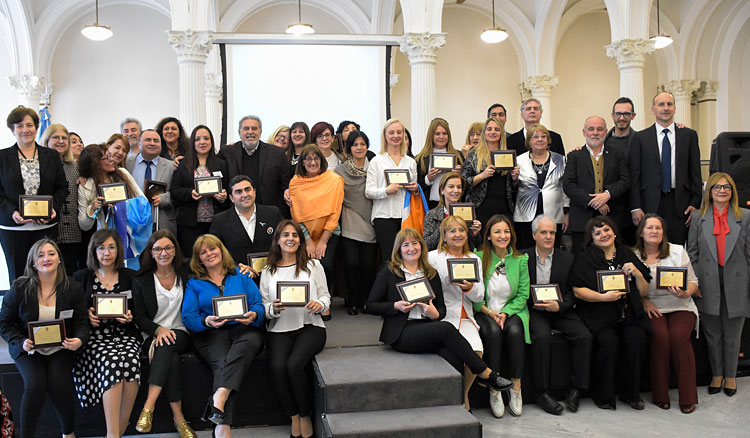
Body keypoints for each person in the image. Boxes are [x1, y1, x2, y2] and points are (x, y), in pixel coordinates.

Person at [365, 228, 513, 406]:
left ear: (421, 246)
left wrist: (435, 314)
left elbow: (441, 309)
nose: (411, 248)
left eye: (415, 243)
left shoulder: (430, 273)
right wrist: (395, 306)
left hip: (428, 329)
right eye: (406, 245)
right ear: (398, 249)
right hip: (402, 333)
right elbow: (371, 306)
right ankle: (486, 373)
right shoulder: (390, 272)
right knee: (446, 328)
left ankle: (458, 406)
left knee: (455, 357)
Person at [0, 239, 89, 438]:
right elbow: (3, 322)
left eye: (51, 253)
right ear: (32, 262)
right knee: (35, 385)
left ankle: (68, 433)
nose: (46, 258)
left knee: (59, 384)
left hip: (61, 347)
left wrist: (79, 340)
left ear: (59, 259)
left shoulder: (72, 287)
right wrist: (20, 341)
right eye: (40, 255)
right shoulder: (20, 288)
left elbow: (82, 322)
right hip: (28, 348)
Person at [182, 234, 265, 438]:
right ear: (198, 259)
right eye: (203, 252)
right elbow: (188, 316)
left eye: (213, 249)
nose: (209, 254)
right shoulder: (194, 283)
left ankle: (220, 396)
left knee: (249, 342)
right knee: (223, 363)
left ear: (221, 250)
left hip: (243, 328)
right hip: (211, 333)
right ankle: (222, 427)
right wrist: (206, 321)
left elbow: (258, 306)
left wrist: (254, 315)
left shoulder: (241, 274)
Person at [570, 215, 650, 410]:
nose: (603, 235)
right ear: (592, 238)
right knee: (609, 342)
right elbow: (577, 290)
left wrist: (637, 273)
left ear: (614, 231)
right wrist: (603, 297)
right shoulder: (585, 258)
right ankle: (603, 396)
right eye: (597, 233)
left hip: (628, 313)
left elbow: (644, 290)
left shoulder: (627, 254)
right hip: (598, 314)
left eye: (606, 230)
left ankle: (630, 394)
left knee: (636, 338)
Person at [259, 220, 330, 438]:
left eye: (295, 235)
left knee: (294, 366)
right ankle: (294, 416)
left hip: (311, 326)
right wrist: (273, 308)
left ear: (300, 240)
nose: (290, 239)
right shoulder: (267, 270)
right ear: (277, 241)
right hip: (280, 328)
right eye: (285, 235)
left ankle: (305, 415)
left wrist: (320, 305)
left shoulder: (313, 265)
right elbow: (263, 305)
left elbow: (325, 296)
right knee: (278, 367)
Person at [686, 172, 750, 397]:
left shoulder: (746, 216)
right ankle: (717, 374)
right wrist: (695, 282)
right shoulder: (698, 217)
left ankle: (731, 376)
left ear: (732, 192)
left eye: (726, 187)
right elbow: (691, 253)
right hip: (707, 282)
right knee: (712, 332)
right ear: (709, 192)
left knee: (733, 333)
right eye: (717, 187)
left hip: (737, 282)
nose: (722, 191)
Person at [72, 229, 140, 438]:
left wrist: (130, 317)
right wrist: (87, 317)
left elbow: (140, 311)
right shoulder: (81, 277)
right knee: (112, 361)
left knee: (130, 361)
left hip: (125, 335)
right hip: (95, 338)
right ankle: (113, 434)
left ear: (118, 250)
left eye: (111, 247)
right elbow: (73, 313)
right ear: (93, 251)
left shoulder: (131, 276)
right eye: (101, 248)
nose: (106, 253)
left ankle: (116, 431)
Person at [522, 215, 592, 415]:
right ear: (534, 235)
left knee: (584, 336)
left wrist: (561, 306)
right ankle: (541, 392)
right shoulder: (523, 257)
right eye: (543, 232)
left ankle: (575, 389)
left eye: (552, 232)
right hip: (535, 310)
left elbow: (572, 291)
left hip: (560, 309)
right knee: (542, 337)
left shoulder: (567, 258)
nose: (548, 236)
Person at [132, 231, 196, 437]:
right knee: (171, 358)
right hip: (153, 335)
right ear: (151, 252)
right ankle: (180, 420)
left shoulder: (187, 271)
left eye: (168, 248)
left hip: (183, 332)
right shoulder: (141, 279)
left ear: (175, 250)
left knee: (167, 343)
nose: (163, 253)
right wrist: (159, 330)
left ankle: (147, 407)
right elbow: (140, 318)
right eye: (157, 249)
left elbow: (217, 263)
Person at [634, 214, 698, 413]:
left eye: (658, 228)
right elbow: (630, 288)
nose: (654, 232)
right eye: (650, 228)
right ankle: (660, 395)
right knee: (661, 338)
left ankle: (688, 397)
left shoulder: (678, 251)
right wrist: (644, 300)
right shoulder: (633, 255)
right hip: (653, 307)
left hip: (681, 304)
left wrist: (686, 291)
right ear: (642, 232)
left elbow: (694, 281)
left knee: (679, 338)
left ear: (663, 232)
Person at [0, 106, 68, 282]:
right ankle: (21, 310)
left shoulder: (51, 156)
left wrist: (53, 208)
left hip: (45, 227)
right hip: (13, 228)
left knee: (47, 277)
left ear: (37, 128)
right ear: (12, 130)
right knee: (19, 278)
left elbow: (62, 188)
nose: (25, 130)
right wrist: (12, 212)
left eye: (29, 125)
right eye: (19, 125)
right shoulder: (2, 157)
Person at [473, 215, 530, 417]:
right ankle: (494, 387)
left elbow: (523, 294)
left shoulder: (520, 259)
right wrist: (489, 311)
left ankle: (516, 386)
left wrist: (506, 313)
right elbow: (474, 294)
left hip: (512, 309)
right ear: (488, 236)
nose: (502, 235)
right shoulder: (478, 257)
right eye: (497, 231)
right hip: (485, 310)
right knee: (493, 333)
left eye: (506, 231)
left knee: (515, 331)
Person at [630, 91, 702, 245]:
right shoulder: (640, 138)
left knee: (677, 247)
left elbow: (695, 171)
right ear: (653, 109)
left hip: (680, 202)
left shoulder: (688, 135)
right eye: (661, 104)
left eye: (669, 104)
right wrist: (635, 207)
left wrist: (695, 202)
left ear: (675, 108)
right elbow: (635, 175)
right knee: (650, 247)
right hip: (649, 203)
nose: (665, 108)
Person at [428, 216, 485, 410]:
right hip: (443, 317)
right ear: (444, 236)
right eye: (452, 231)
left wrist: (470, 288)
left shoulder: (474, 259)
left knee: (476, 352)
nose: (458, 234)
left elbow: (479, 297)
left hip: (466, 316)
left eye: (461, 230)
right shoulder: (432, 258)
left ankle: (464, 394)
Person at [289, 144, 344, 319]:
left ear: (322, 160)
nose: (313, 162)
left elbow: (335, 213)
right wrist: (308, 241)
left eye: (316, 158)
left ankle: (325, 304)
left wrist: (322, 241)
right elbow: (297, 215)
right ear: (302, 162)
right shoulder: (295, 182)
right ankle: (309, 302)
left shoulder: (334, 180)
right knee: (307, 266)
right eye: (308, 158)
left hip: (329, 232)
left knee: (325, 264)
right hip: (304, 234)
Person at [563, 116, 630, 254]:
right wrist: (594, 202)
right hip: (582, 219)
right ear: (584, 132)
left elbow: (625, 180)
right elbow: (568, 185)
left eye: (599, 129)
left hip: (612, 217)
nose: (595, 133)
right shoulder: (574, 156)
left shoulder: (617, 154)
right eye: (591, 129)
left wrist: (607, 195)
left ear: (605, 132)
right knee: (582, 260)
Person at [334, 131, 378, 315]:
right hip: (350, 220)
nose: (359, 148)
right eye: (355, 145)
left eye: (362, 144)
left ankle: (365, 300)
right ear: (349, 148)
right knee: (352, 264)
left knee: (368, 265)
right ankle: (351, 301)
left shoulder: (375, 168)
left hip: (372, 221)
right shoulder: (340, 171)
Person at [170, 125, 229, 257]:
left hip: (216, 222)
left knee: (215, 258)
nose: (202, 142)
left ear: (211, 141)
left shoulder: (222, 164)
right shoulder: (182, 164)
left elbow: (228, 189)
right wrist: (189, 193)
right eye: (197, 139)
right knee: (192, 259)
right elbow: (174, 191)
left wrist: (224, 196)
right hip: (190, 224)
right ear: (192, 143)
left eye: (206, 138)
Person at [365, 118, 419, 261]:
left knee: (406, 257)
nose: (396, 136)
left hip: (405, 216)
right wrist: (386, 191)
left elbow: (415, 188)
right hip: (384, 216)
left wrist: (415, 188)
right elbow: (369, 191)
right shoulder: (376, 161)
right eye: (391, 132)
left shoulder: (410, 162)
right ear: (385, 136)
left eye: (399, 132)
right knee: (389, 258)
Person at [209, 175, 284, 272]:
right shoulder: (220, 220)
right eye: (238, 192)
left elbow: (285, 240)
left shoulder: (273, 213)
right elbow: (215, 252)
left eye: (247, 189)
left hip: (272, 273)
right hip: (239, 276)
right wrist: (236, 267)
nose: (244, 195)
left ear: (254, 192)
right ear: (231, 198)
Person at [514, 124, 568, 249]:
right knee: (526, 251)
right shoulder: (518, 160)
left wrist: (566, 212)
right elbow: (512, 188)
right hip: (525, 215)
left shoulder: (560, 160)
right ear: (529, 141)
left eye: (543, 136)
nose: (540, 139)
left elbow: (565, 187)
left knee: (552, 250)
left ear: (548, 140)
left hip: (554, 213)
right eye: (535, 137)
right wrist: (514, 180)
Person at [219, 115, 290, 210]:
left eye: (254, 128)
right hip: (236, 213)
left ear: (260, 132)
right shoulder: (227, 152)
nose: (250, 132)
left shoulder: (277, 154)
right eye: (246, 128)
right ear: (239, 132)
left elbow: (284, 186)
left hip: (268, 213)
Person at [460, 117, 519, 231]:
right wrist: (482, 175)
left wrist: (515, 179)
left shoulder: (508, 154)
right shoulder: (474, 154)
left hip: (504, 209)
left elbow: (513, 188)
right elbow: (463, 182)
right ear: (484, 133)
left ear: (501, 133)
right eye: (489, 129)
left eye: (497, 129)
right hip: (481, 208)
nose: (493, 132)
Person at [41, 123, 84, 273]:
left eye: (64, 138)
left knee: (70, 272)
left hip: (73, 230)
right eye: (56, 137)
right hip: (48, 227)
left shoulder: (76, 167)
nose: (61, 141)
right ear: (46, 140)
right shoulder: (40, 166)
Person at [126, 129, 177, 236]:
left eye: (156, 140)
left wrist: (165, 198)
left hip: (161, 223)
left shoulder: (171, 166)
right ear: (139, 143)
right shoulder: (127, 164)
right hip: (133, 223)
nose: (152, 143)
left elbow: (178, 192)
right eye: (148, 140)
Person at [422, 172, 481, 251]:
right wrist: (441, 230)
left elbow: (476, 245)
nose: (456, 190)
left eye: (459, 187)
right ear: (442, 190)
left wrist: (475, 234)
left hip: (462, 257)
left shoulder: (467, 211)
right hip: (440, 257)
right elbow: (426, 245)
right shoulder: (432, 214)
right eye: (451, 187)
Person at [415, 118, 464, 210]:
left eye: (444, 133)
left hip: (454, 204)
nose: (441, 137)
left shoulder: (458, 156)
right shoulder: (421, 158)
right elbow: (416, 185)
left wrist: (459, 175)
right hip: (430, 205)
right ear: (431, 136)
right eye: (437, 134)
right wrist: (428, 179)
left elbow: (466, 182)